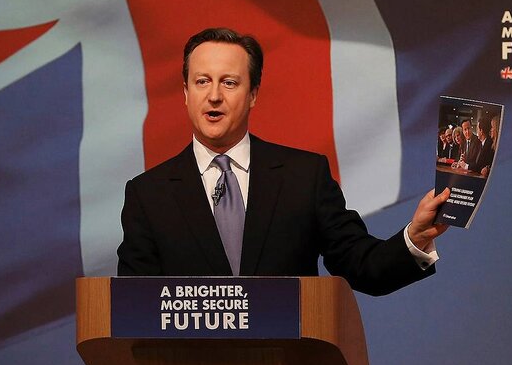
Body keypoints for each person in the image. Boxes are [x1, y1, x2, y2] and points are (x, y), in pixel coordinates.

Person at [117, 27, 449, 296]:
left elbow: (363, 266)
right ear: (186, 93)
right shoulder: (148, 195)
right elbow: (133, 307)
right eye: (202, 81)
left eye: (229, 82)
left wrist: (415, 238)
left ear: (253, 95)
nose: (214, 95)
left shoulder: (303, 178)